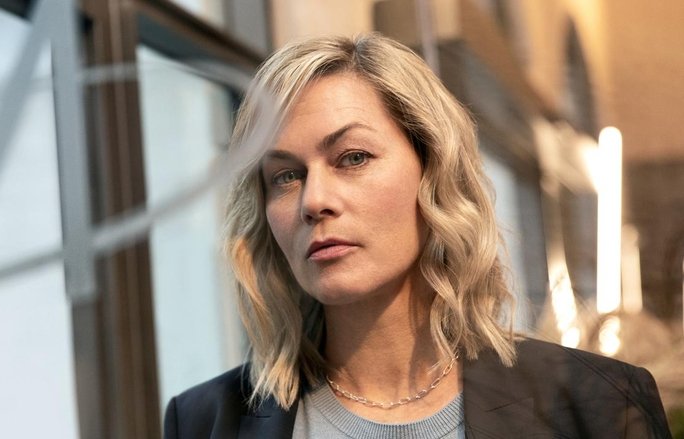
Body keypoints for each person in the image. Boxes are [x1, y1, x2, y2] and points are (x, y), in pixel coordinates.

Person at [164, 34, 671, 438]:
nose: (313, 200)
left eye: (353, 157)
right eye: (285, 176)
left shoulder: (600, 403)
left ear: (433, 172)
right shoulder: (205, 421)